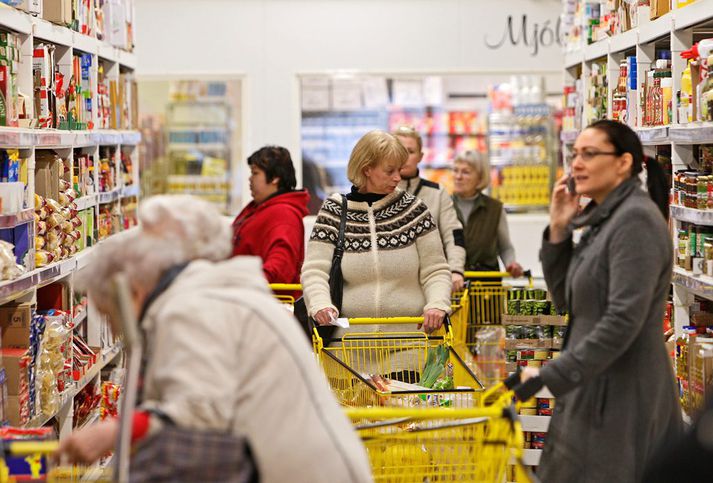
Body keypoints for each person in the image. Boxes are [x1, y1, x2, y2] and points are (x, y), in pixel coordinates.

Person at [58, 195, 373, 483]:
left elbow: (199, 410)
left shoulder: (190, 309)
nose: (116, 326)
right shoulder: (205, 296)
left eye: (110, 314)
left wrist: (116, 432)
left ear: (132, 292)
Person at [515, 120, 681, 482]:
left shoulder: (635, 221)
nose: (576, 164)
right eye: (575, 154)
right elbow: (568, 301)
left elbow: (623, 320)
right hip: (592, 384)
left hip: (624, 395)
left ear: (623, 162)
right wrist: (558, 229)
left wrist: (551, 375)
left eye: (589, 154)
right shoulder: (603, 218)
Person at [302, 130, 452, 334]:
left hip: (408, 341)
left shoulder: (414, 210)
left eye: (399, 170)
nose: (398, 177)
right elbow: (314, 270)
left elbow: (435, 269)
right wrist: (320, 304)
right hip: (346, 346)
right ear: (366, 169)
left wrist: (437, 303)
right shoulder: (334, 211)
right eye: (390, 171)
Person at [392, 125, 466, 292]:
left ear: (420, 156)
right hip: (392, 284)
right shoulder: (379, 192)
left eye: (410, 151)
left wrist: (455, 270)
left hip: (430, 281)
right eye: (399, 151)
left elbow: (453, 234)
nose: (404, 157)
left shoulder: (437, 193)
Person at [232, 146, 309, 284]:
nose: (250, 179)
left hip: (260, 299)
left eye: (255, 173)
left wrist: (239, 284)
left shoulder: (284, 215)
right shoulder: (258, 208)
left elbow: (279, 269)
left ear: (274, 178)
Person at [451, 151, 523, 277]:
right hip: (453, 285)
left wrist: (511, 264)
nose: (458, 176)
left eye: (465, 172)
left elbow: (505, 247)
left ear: (480, 177)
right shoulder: (444, 205)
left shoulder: (494, 209)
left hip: (487, 287)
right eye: (455, 170)